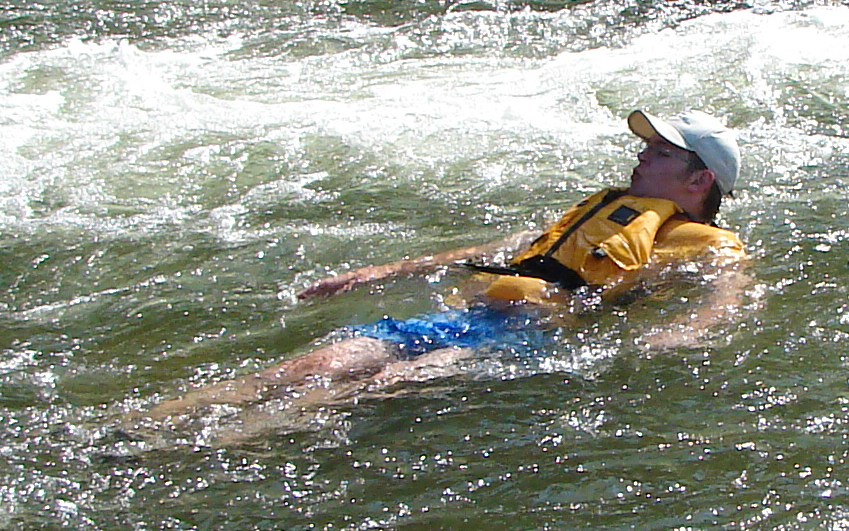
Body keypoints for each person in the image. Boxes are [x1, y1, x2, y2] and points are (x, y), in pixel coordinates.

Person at [114, 111, 751, 444]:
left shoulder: (705, 241)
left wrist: (686, 333)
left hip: (526, 337)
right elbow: (499, 250)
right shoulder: (601, 215)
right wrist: (375, 271)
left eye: (662, 152)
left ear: (699, 181)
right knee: (313, 368)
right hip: (467, 314)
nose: (642, 155)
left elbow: (727, 292)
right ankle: (144, 423)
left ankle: (208, 446)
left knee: (384, 383)